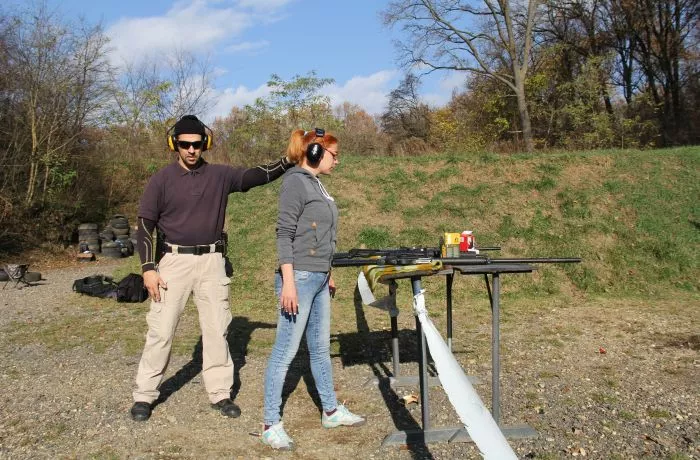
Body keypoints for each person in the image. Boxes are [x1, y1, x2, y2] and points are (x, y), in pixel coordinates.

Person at [130, 114, 294, 422]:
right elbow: (145, 224)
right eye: (185, 144)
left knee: (217, 330)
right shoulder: (161, 180)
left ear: (205, 143)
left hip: (212, 262)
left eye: (197, 144)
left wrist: (288, 160)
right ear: (174, 144)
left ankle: (220, 393)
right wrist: (148, 268)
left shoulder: (220, 175)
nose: (191, 150)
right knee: (161, 331)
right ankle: (144, 394)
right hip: (173, 263)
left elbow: (254, 176)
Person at [261, 128, 365, 450]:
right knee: (284, 352)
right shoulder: (295, 182)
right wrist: (289, 283)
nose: (337, 160)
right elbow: (285, 234)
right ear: (316, 153)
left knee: (319, 348)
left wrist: (327, 271)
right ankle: (269, 424)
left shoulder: (316, 184)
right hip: (300, 278)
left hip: (318, 277)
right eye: (334, 155)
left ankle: (330, 411)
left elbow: (319, 234)